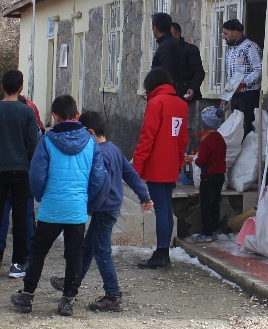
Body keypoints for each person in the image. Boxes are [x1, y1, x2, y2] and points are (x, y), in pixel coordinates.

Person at [10, 95, 106, 316]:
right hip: (77, 210)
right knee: (74, 256)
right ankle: (68, 300)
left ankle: (27, 296)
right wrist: (87, 201)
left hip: (51, 208)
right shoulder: (91, 143)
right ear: (77, 116)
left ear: (54, 116)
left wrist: (42, 195)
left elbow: (36, 174)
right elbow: (98, 177)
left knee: (38, 252)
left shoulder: (47, 140)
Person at [49, 111, 153, 312]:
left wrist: (89, 205)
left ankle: (113, 294)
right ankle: (72, 283)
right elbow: (131, 175)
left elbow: (101, 185)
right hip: (109, 208)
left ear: (90, 132)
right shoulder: (113, 149)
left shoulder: (100, 153)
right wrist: (144, 196)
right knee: (88, 247)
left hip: (104, 209)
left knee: (100, 250)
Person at [0, 70, 41, 279]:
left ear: (1, 87)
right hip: (22, 170)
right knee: (22, 217)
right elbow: (33, 143)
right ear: (21, 88)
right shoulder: (26, 112)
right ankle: (18, 262)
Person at [132, 68, 189, 269]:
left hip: (156, 164)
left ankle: (162, 252)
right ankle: (163, 251)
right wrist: (179, 162)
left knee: (161, 209)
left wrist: (136, 167)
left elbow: (147, 137)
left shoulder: (156, 103)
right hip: (171, 162)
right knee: (167, 208)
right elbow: (183, 139)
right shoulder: (181, 104)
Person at [189, 106, 227, 242]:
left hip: (208, 176)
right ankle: (214, 230)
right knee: (215, 204)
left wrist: (196, 161)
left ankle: (207, 233)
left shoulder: (206, 140)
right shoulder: (220, 138)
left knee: (205, 205)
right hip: (220, 176)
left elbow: (202, 160)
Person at [220, 18, 262, 135]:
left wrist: (243, 83)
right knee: (235, 128)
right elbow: (230, 77)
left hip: (248, 96)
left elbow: (258, 70)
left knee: (246, 127)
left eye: (225, 33)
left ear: (235, 32)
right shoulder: (230, 51)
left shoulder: (250, 47)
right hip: (235, 96)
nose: (223, 37)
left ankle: (247, 153)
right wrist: (225, 96)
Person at [149, 12, 183, 96]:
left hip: (165, 95)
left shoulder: (165, 47)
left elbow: (165, 75)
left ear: (155, 28)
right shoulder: (172, 43)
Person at [171, 22, 205, 103]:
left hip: (185, 96)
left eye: (169, 34)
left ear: (177, 35)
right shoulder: (164, 51)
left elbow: (199, 72)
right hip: (168, 96)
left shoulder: (190, 50)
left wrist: (192, 88)